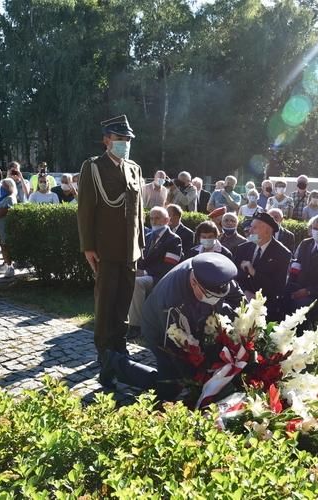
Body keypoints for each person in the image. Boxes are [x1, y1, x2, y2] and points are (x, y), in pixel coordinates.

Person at [99, 253, 242, 398]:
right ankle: (114, 363)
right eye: (209, 296)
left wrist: (246, 325)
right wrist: (196, 379)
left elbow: (239, 300)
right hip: (159, 329)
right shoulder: (171, 301)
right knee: (171, 385)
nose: (213, 301)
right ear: (193, 283)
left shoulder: (218, 277)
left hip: (195, 319)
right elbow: (175, 349)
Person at [77, 114, 145, 368]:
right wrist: (88, 247)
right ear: (106, 140)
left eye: (127, 139)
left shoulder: (134, 168)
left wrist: (141, 245)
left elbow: (139, 212)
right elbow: (85, 209)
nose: (125, 143)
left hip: (131, 250)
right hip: (106, 248)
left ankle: (120, 347)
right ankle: (105, 352)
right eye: (119, 138)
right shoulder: (94, 167)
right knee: (106, 303)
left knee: (124, 302)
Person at [127, 206, 182, 339]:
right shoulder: (147, 236)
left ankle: (135, 326)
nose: (153, 221)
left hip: (161, 278)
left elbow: (168, 266)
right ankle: (116, 319)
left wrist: (144, 272)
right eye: (151, 218)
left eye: (157, 218)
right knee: (123, 276)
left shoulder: (174, 240)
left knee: (138, 282)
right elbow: (139, 259)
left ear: (167, 220)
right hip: (146, 275)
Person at [233, 212, 292, 321]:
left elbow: (278, 287)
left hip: (266, 301)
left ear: (267, 231)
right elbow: (235, 276)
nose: (249, 231)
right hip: (241, 295)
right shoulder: (243, 248)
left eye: (254, 228)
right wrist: (245, 292)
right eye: (251, 227)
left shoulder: (282, 254)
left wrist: (254, 272)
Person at [0, 178, 18, 276]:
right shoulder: (2, 198)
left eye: (5, 185)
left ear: (10, 187)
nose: (2, 187)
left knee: (6, 246)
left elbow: (5, 211)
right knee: (3, 246)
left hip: (5, 227)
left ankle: (10, 267)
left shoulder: (10, 197)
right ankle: (6, 264)